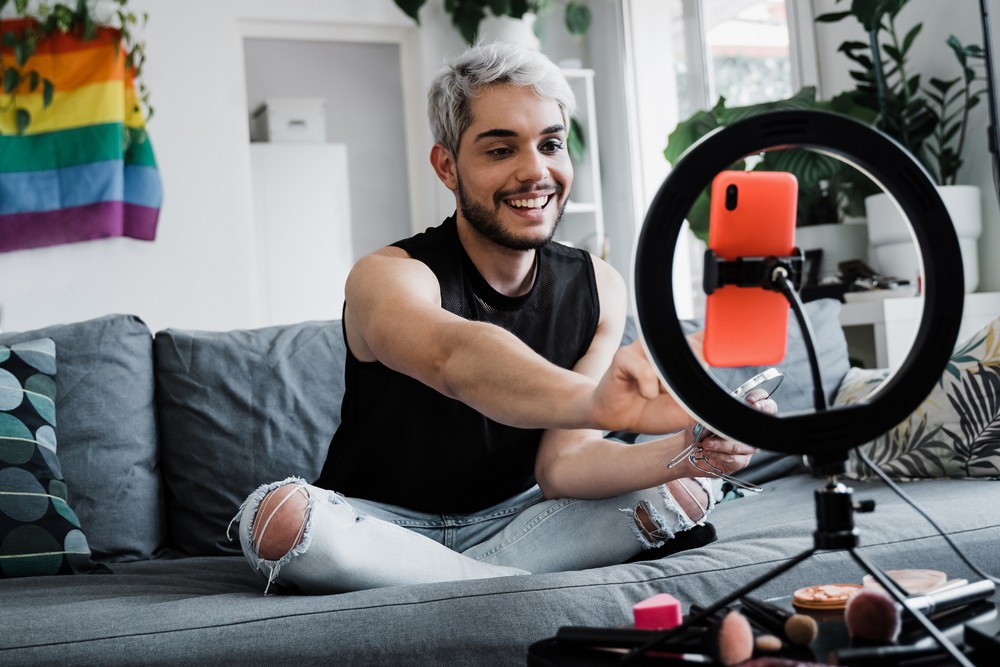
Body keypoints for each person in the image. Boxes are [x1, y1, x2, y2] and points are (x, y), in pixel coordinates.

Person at [233, 42, 774, 595]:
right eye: (500, 150)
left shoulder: (599, 287)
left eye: (551, 144)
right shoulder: (387, 277)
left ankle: (455, 583)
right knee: (278, 519)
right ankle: (497, 586)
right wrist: (594, 402)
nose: (535, 172)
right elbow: (454, 357)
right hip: (381, 527)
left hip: (523, 525)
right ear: (447, 166)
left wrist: (690, 446)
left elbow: (564, 466)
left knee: (688, 489)